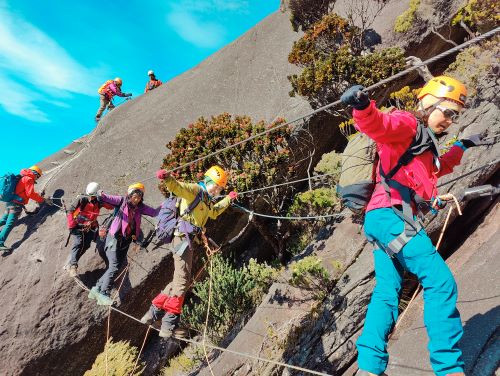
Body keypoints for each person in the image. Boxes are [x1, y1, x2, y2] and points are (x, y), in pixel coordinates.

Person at [341, 76, 482, 376]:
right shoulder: (407, 124)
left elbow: (436, 169)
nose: (450, 120)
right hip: (390, 218)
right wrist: (363, 106)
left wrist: (462, 145)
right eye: (448, 112)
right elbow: (379, 125)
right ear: (429, 103)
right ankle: (449, 369)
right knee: (440, 282)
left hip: (382, 220)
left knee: (387, 290)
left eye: (455, 116)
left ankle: (368, 367)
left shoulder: (425, 144)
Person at [140, 165, 238, 338]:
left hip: (188, 241)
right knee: (183, 280)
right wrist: (167, 178)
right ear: (207, 181)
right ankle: (168, 324)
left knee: (179, 279)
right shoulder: (194, 190)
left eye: (220, 188)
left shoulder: (207, 200)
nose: (217, 190)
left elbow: (214, 213)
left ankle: (152, 313)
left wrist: (228, 199)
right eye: (215, 186)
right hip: (181, 239)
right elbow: (178, 187)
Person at [88, 183, 160, 306]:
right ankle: (103, 293)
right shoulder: (122, 201)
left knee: (116, 266)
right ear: (130, 195)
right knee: (114, 266)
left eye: (139, 197)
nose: (136, 199)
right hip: (113, 238)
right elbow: (107, 198)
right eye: (134, 196)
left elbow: (154, 212)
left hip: (125, 242)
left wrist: (168, 204)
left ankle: (96, 289)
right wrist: (100, 193)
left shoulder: (141, 207)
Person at [65, 182, 113, 277]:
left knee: (86, 245)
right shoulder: (82, 199)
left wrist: (104, 197)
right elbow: (70, 211)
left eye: (93, 196)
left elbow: (110, 207)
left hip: (91, 226)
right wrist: (72, 225)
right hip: (77, 226)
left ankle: (71, 263)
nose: (91, 198)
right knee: (78, 243)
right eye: (90, 195)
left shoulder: (99, 201)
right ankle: (73, 266)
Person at [0, 165, 51, 253]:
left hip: (10, 203)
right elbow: (30, 193)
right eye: (38, 176)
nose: (37, 178)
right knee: (10, 223)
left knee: (4, 220)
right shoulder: (28, 179)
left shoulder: (21, 177)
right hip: (16, 205)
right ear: (35, 173)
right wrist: (43, 200)